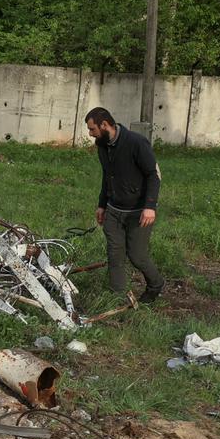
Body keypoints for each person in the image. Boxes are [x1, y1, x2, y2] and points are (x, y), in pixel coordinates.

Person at [85, 107, 165, 305]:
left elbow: (153, 176)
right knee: (115, 255)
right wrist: (101, 205)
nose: (90, 134)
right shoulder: (102, 146)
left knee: (137, 256)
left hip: (138, 212)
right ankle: (118, 298)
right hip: (113, 211)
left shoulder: (136, 143)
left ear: (105, 125)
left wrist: (150, 206)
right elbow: (107, 176)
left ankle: (156, 285)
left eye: (92, 129)